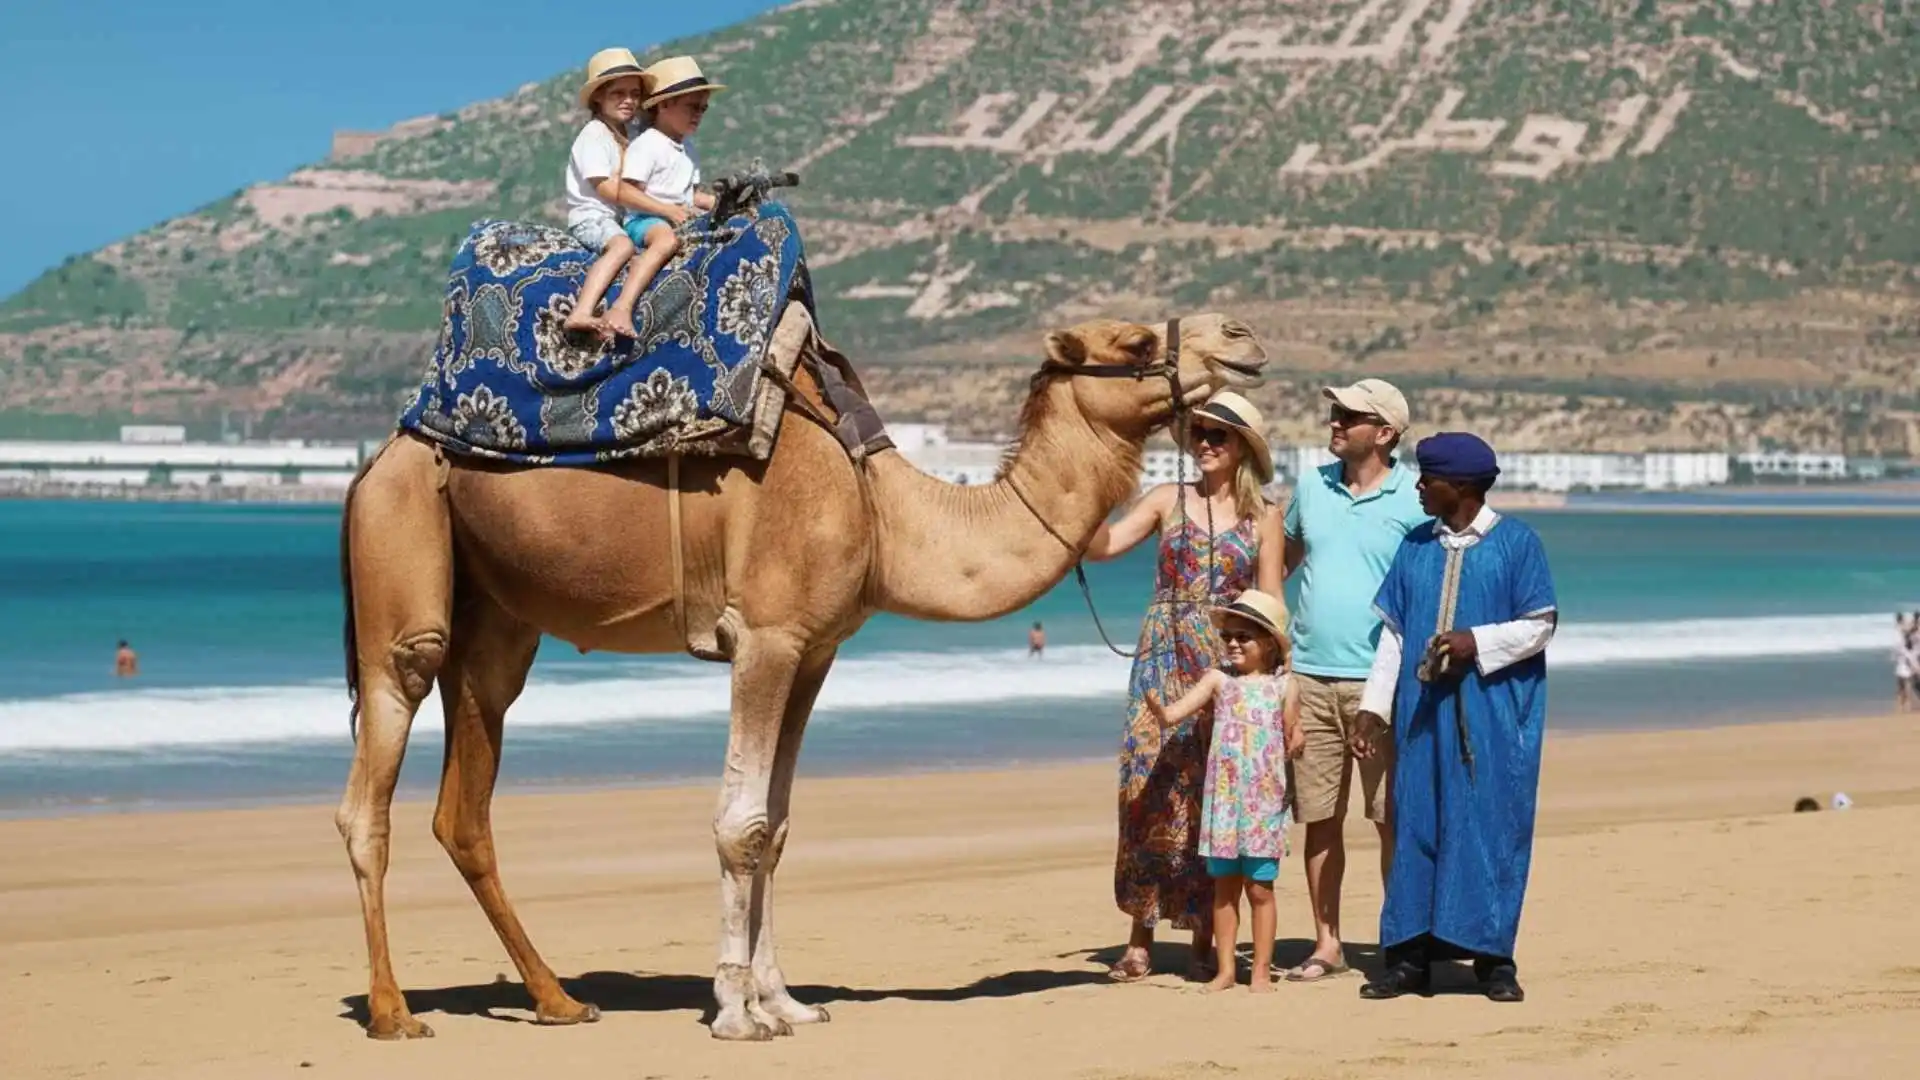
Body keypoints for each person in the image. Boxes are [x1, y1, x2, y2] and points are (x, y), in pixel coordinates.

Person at [1082, 390, 1285, 982]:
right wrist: (1084, 499)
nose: (1205, 443)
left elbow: (1271, 603)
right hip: (1160, 655)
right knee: (1145, 786)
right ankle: (1139, 936)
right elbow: (1105, 546)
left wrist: (1277, 684)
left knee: (1211, 792)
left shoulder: (1265, 516)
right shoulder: (1166, 498)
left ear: (1242, 446)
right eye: (1199, 432)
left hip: (1227, 663)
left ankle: (1203, 936)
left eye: (1218, 434)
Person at [1352, 432, 1557, 1004]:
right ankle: (1409, 960)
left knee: (1489, 828)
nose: (1418, 486)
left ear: (1462, 485)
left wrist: (1475, 642)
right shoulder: (1416, 545)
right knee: (1417, 825)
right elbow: (1395, 635)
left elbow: (1540, 625)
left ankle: (1494, 962)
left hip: (1492, 719)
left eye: (1429, 478)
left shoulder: (1517, 544)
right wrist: (1372, 708)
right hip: (1420, 717)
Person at [1278, 377, 1426, 982]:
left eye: (1349, 415)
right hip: (1309, 678)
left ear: (1385, 433)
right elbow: (1279, 565)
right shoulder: (1311, 486)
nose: (1335, 422)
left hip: (1382, 685)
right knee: (1319, 818)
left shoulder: (1414, 498)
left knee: (1391, 818)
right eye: (1335, 412)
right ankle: (1327, 944)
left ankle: (1400, 940)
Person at [1144, 590, 1303, 993]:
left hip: (1263, 805)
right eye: (1227, 636)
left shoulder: (1285, 686)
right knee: (1224, 890)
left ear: (1269, 643)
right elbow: (1174, 714)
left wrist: (1297, 739)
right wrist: (1159, 710)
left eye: (1243, 637)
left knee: (1260, 889)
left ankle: (1261, 971)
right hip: (1225, 805)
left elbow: (1293, 732)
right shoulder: (1218, 680)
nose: (1232, 643)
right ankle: (1227, 970)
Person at [613, 56, 723, 322]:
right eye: (692, 106)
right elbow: (627, 193)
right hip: (645, 220)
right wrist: (667, 211)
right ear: (663, 105)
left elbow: (691, 195)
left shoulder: (688, 149)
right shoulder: (648, 145)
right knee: (666, 240)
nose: (698, 114)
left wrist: (721, 203)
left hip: (677, 216)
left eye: (703, 109)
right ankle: (622, 307)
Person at [562, 47, 652, 340]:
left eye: (635, 94)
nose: (629, 100)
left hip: (618, 219)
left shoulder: (631, 135)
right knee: (622, 247)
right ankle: (581, 312)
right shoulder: (594, 135)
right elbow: (605, 187)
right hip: (593, 217)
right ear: (599, 96)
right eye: (618, 93)